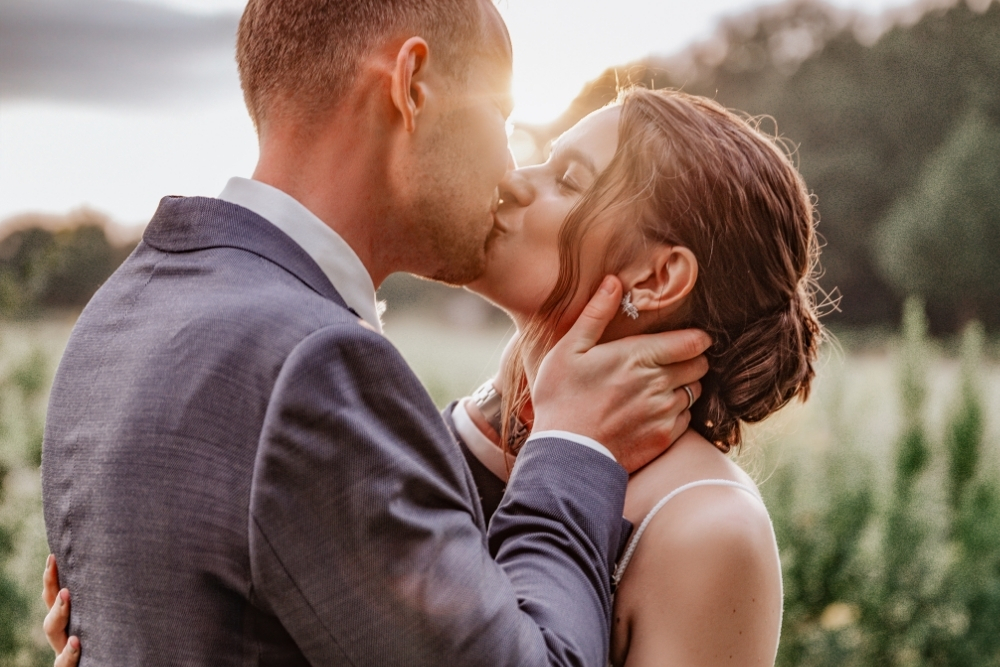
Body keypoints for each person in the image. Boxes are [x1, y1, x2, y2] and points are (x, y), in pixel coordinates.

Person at [44, 87, 823, 665]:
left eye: (571, 180)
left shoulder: (705, 527)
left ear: (659, 278)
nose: (517, 181)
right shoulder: (434, 437)